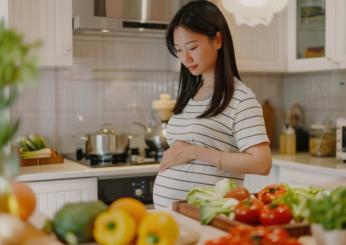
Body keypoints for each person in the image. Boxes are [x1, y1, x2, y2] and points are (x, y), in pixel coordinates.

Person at [153, 0, 272, 209]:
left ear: (218, 39)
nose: (186, 58)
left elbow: (262, 163)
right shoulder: (189, 94)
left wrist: (195, 152)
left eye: (192, 47)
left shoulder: (241, 98)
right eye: (179, 50)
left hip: (208, 216)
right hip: (172, 219)